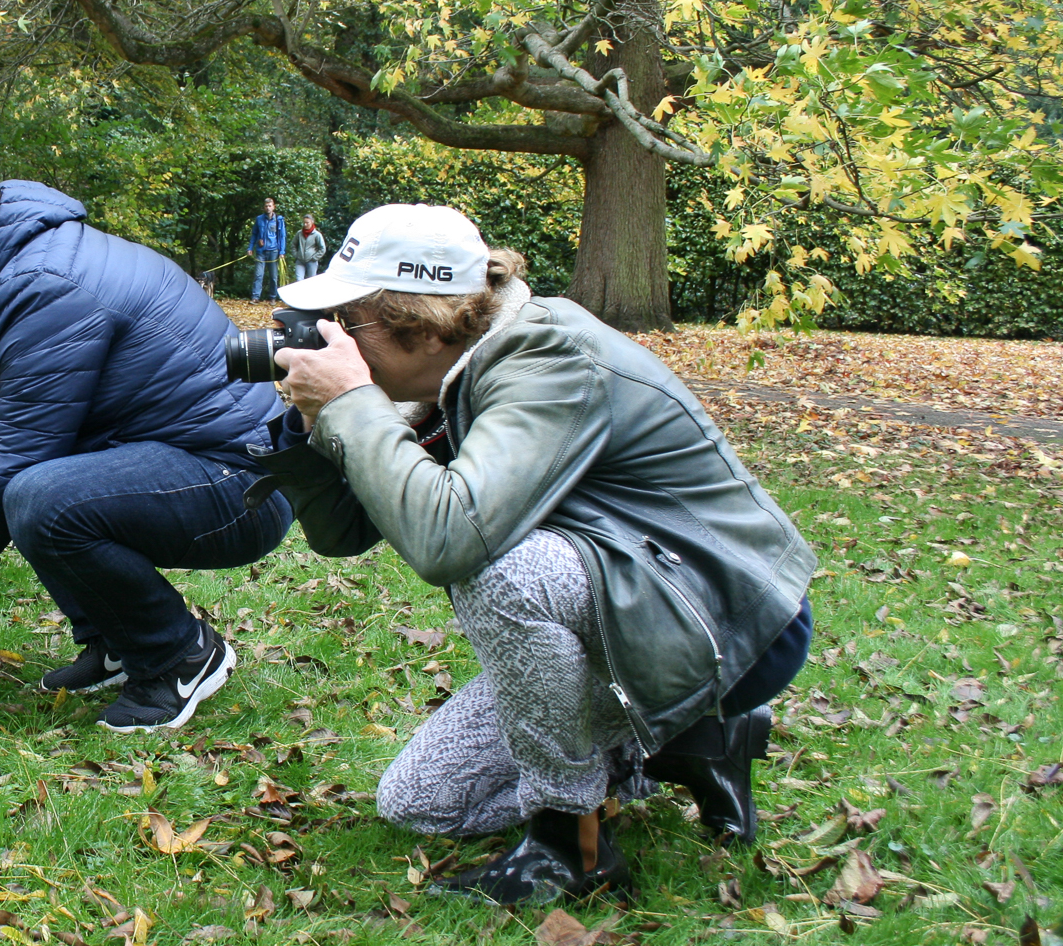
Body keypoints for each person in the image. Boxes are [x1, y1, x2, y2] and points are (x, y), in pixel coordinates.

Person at [255, 203, 815, 904]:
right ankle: (693, 744)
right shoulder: (449, 370)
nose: (332, 341)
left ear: (421, 323)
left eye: (348, 324)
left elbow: (448, 541)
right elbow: (342, 536)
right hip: (627, 610)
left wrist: (356, 404)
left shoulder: (544, 358)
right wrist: (319, 423)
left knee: (502, 571)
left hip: (728, 627)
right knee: (422, 802)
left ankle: (570, 845)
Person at [0, 163, 294, 732]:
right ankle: (116, 643)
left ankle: (180, 653)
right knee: (37, 490)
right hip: (194, 462)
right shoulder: (5, 278)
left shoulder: (44, 288)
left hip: (243, 484)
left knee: (38, 496)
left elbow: (7, 468)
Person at [248, 195, 287, 301]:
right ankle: (255, 297)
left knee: (273, 277)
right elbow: (254, 234)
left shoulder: (279, 220)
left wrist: (282, 251)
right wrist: (250, 247)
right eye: (266, 206)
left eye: (270, 206)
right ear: (263, 207)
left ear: (273, 207)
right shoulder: (259, 219)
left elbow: (282, 236)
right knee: (258, 275)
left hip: (274, 251)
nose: (268, 208)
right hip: (261, 251)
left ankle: (272, 297)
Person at [292, 214, 326, 283]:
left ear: (312, 222)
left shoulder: (317, 234)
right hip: (300, 261)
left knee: (311, 281)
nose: (305, 224)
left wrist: (314, 258)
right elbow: (293, 244)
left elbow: (322, 248)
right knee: (299, 280)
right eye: (304, 222)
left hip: (311, 261)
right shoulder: (299, 233)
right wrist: (296, 255)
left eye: (307, 223)